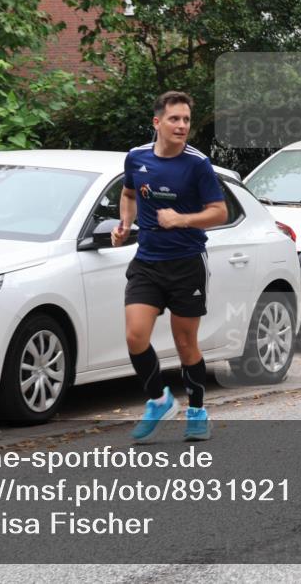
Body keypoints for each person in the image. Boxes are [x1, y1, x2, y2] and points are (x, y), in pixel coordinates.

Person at [112, 91, 228, 442]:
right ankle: (159, 399)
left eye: (186, 120)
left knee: (185, 342)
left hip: (187, 263)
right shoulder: (136, 158)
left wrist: (182, 219)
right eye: (175, 119)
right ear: (157, 122)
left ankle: (197, 409)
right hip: (147, 261)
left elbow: (219, 212)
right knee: (135, 335)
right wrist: (124, 225)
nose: (181, 126)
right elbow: (129, 194)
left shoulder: (198, 164)